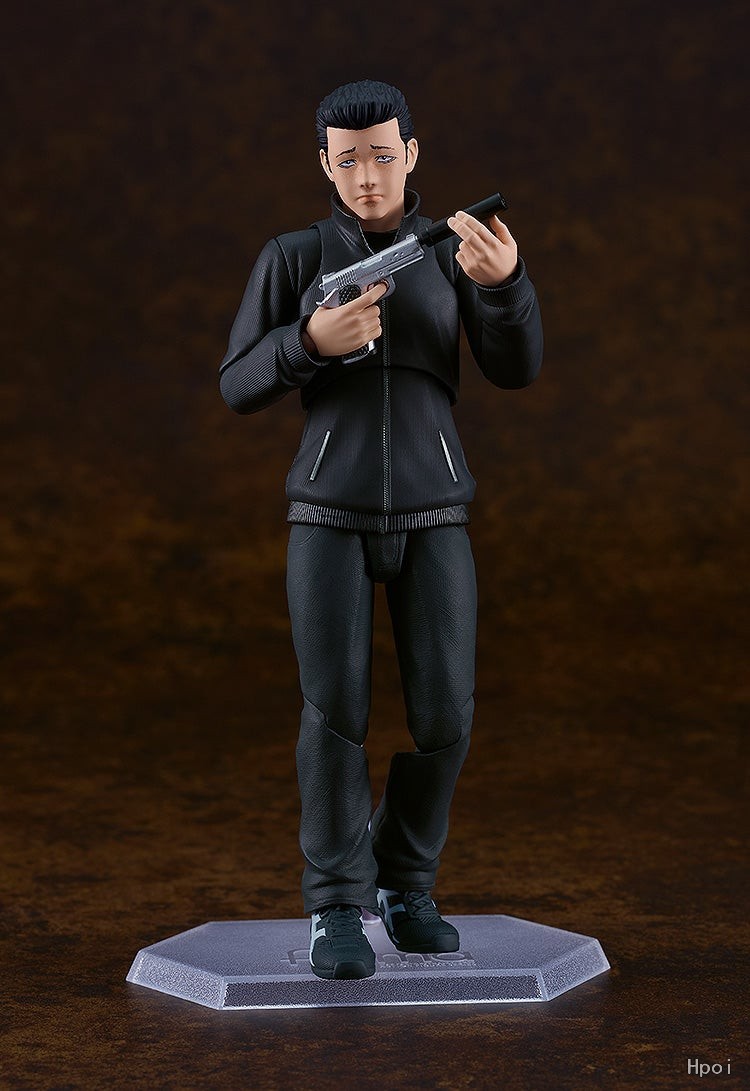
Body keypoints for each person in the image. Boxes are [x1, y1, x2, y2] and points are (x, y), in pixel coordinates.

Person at [219, 80, 543, 980]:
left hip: (436, 508)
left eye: (384, 156)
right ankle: (335, 903)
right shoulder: (293, 257)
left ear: (412, 154)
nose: (368, 177)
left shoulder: (451, 253)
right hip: (328, 510)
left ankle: (406, 881)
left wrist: (505, 287)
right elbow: (237, 381)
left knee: (446, 713)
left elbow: (516, 368)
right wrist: (307, 344)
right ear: (325, 163)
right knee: (334, 714)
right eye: (349, 159)